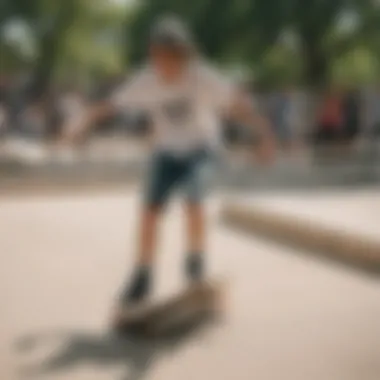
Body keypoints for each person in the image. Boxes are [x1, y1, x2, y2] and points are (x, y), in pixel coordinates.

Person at [61, 15, 276, 311]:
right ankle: (143, 275)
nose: (168, 69)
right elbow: (111, 105)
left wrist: (264, 133)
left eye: (174, 61)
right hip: (166, 151)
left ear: (184, 56)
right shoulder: (146, 80)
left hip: (201, 149)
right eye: (161, 60)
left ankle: (195, 263)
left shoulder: (201, 75)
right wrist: (82, 120)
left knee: (194, 201)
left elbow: (236, 104)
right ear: (154, 55)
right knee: (149, 211)